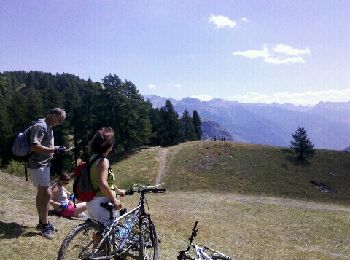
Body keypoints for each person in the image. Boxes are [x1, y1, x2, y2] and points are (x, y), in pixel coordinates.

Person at [27, 108, 67, 239]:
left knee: (41, 193)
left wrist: (56, 148)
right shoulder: (40, 126)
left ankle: (41, 221)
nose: (59, 123)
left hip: (44, 164)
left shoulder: (48, 126)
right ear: (53, 115)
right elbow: (34, 146)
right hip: (38, 164)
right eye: (59, 120)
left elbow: (45, 145)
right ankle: (45, 225)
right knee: (47, 193)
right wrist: (54, 150)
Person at [86, 127, 125, 227]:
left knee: (100, 234)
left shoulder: (93, 159)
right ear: (109, 145)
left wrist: (118, 190)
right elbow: (103, 183)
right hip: (103, 203)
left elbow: (106, 181)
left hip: (91, 202)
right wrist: (114, 199)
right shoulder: (103, 161)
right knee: (109, 235)